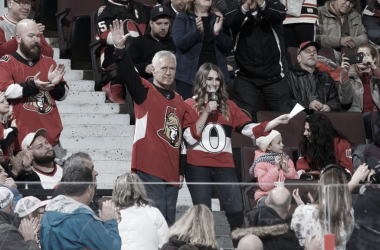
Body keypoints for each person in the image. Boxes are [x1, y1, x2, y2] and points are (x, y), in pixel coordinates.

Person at [111, 19, 201, 226]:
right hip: (148, 168)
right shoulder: (144, 90)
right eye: (163, 68)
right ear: (153, 69)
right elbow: (126, 72)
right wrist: (119, 49)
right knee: (155, 221)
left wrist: (180, 171)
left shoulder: (180, 101)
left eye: (172, 68)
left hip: (171, 171)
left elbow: (183, 142)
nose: (168, 72)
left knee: (168, 224)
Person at [183, 63, 290, 230]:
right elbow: (189, 138)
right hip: (197, 166)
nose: (214, 83)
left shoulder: (228, 106)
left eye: (217, 79)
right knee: (202, 217)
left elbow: (248, 129)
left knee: (236, 213)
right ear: (201, 80)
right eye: (209, 78)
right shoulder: (189, 105)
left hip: (224, 166)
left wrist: (274, 122)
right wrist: (205, 112)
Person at [0, 19, 67, 152]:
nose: (36, 40)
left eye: (38, 36)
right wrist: (33, 86)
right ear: (18, 38)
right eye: (31, 36)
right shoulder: (7, 61)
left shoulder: (49, 62)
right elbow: (5, 90)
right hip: (20, 138)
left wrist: (56, 85)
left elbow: (63, 95)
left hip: (51, 136)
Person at [224, 0, 293, 121]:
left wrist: (262, 3)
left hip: (275, 76)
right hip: (245, 77)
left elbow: (280, 13)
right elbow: (228, 20)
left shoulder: (273, 6)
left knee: (284, 119)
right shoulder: (238, 10)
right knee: (244, 119)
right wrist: (245, 5)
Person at [40, 165, 121, 250]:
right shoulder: (85, 220)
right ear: (89, 188)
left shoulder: (47, 215)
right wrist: (110, 222)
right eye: (94, 186)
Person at [172, 0, 233, 100]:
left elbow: (229, 47)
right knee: (190, 112)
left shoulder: (217, 18)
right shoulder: (183, 17)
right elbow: (180, 43)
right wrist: (196, 32)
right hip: (190, 78)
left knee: (216, 112)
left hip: (215, 79)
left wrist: (218, 34)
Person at [97, 0, 152, 103]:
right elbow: (106, 36)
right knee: (130, 40)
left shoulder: (140, 7)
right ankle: (115, 85)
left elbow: (161, 13)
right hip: (112, 52)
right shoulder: (105, 10)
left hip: (139, 51)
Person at [291, 165, 354, 249]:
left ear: (319, 185)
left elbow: (295, 238)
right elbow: (329, 245)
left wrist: (304, 211)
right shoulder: (348, 212)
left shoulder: (303, 211)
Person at [232, 187, 302, 250]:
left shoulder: (251, 218)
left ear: (266, 202)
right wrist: (303, 210)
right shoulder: (291, 231)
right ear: (288, 208)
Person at [112, 172, 169, 249]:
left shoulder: (112, 215)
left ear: (117, 191)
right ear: (140, 189)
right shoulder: (154, 213)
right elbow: (164, 244)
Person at [288, 41, 341, 115]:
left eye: (314, 52)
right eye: (307, 51)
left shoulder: (326, 77)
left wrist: (329, 106)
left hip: (323, 118)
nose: (312, 54)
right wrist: (308, 105)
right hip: (299, 119)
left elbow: (336, 100)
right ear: (299, 58)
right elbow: (285, 102)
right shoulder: (289, 76)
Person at [339, 43, 380, 139]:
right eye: (360, 55)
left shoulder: (377, 75)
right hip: (357, 119)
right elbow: (345, 101)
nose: (362, 58)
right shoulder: (349, 76)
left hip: (377, 118)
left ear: (373, 59)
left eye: (366, 55)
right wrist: (344, 72)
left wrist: (374, 69)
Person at [249, 130, 298, 207]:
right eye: (279, 143)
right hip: (266, 196)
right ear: (268, 146)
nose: (282, 145)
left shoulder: (287, 160)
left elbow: (297, 183)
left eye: (282, 142)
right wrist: (276, 169)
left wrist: (287, 171)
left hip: (286, 196)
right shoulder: (260, 163)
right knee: (276, 204)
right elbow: (264, 186)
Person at [128, 6, 176, 80]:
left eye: (166, 24)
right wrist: (144, 67)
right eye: (159, 24)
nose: (163, 27)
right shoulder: (139, 42)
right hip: (144, 81)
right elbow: (128, 65)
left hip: (169, 81)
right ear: (151, 23)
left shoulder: (173, 42)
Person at [0, 92, 17, 159]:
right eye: (2, 102)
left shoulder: (3, 122)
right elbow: (4, 142)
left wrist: (7, 122)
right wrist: (13, 129)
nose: (7, 103)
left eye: (6, 100)